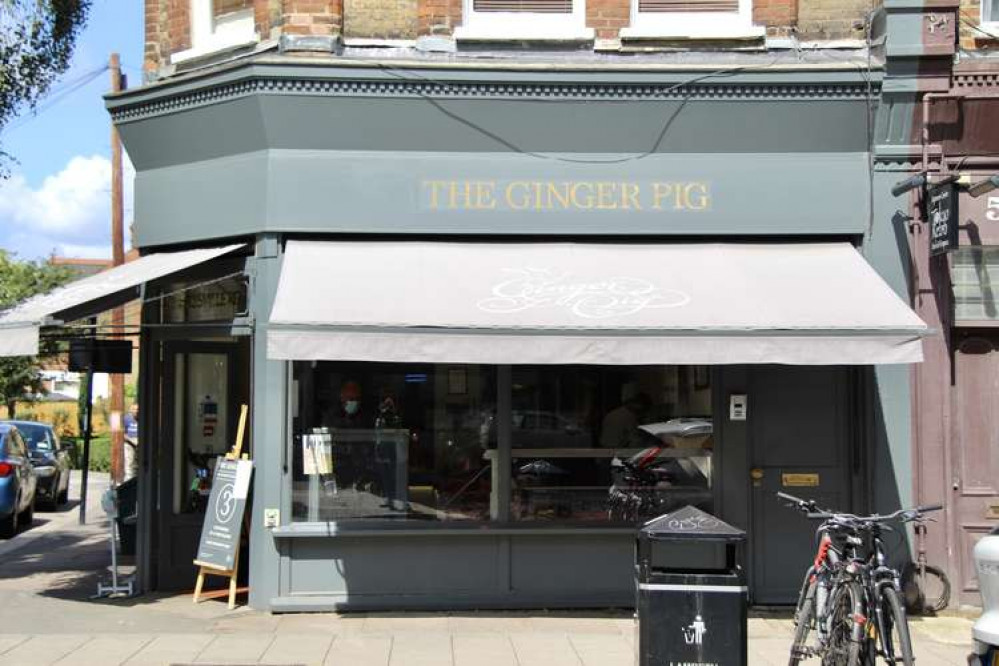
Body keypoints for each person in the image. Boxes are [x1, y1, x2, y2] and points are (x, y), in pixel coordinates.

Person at [123, 403, 139, 481]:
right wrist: (131, 440)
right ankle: (129, 480)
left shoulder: (142, 418)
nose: (136, 411)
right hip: (129, 442)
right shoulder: (126, 418)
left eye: (137, 409)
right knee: (129, 463)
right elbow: (123, 433)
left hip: (140, 442)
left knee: (138, 464)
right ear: (130, 410)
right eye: (134, 409)